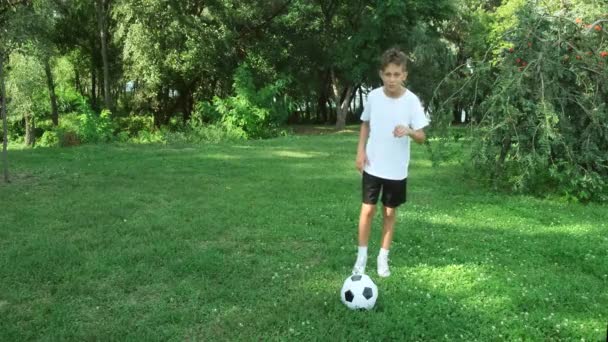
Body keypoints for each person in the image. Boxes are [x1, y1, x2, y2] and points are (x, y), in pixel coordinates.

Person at [352, 47, 429, 277]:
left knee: (388, 213)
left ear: (404, 74)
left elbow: (422, 138)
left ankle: (382, 258)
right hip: (373, 164)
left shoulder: (412, 101)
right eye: (388, 74)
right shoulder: (374, 96)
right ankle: (361, 258)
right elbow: (365, 124)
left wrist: (409, 131)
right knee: (367, 211)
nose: (392, 79)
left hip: (396, 170)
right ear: (381, 74)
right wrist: (360, 152)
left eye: (397, 74)